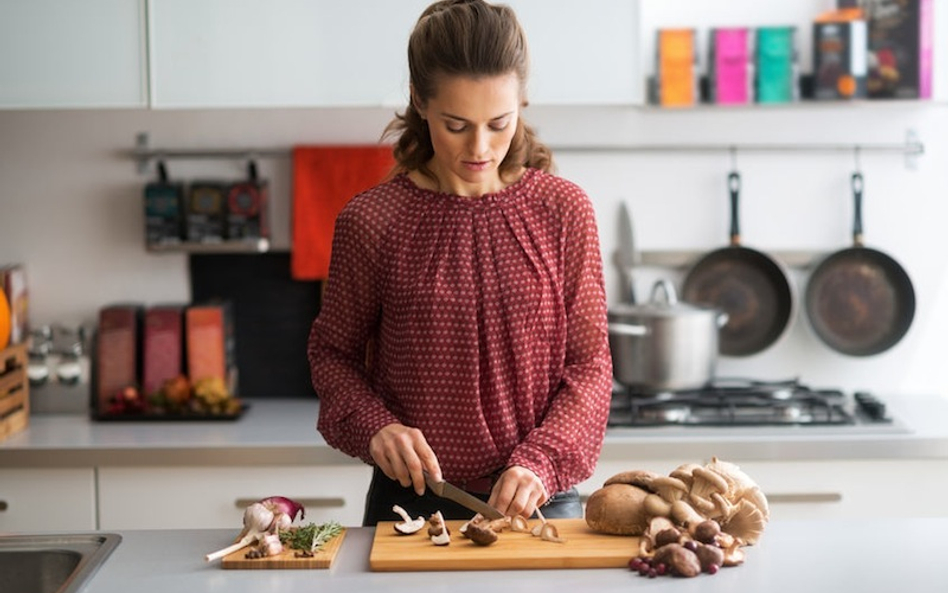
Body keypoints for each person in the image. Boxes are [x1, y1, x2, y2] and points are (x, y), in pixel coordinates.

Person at [307, 0, 612, 527]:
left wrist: (540, 462)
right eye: (456, 125)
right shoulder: (373, 221)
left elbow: (590, 366)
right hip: (410, 505)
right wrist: (376, 426)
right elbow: (332, 354)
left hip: (540, 503)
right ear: (419, 103)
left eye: (500, 124)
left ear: (522, 103)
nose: (480, 148)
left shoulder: (564, 210)